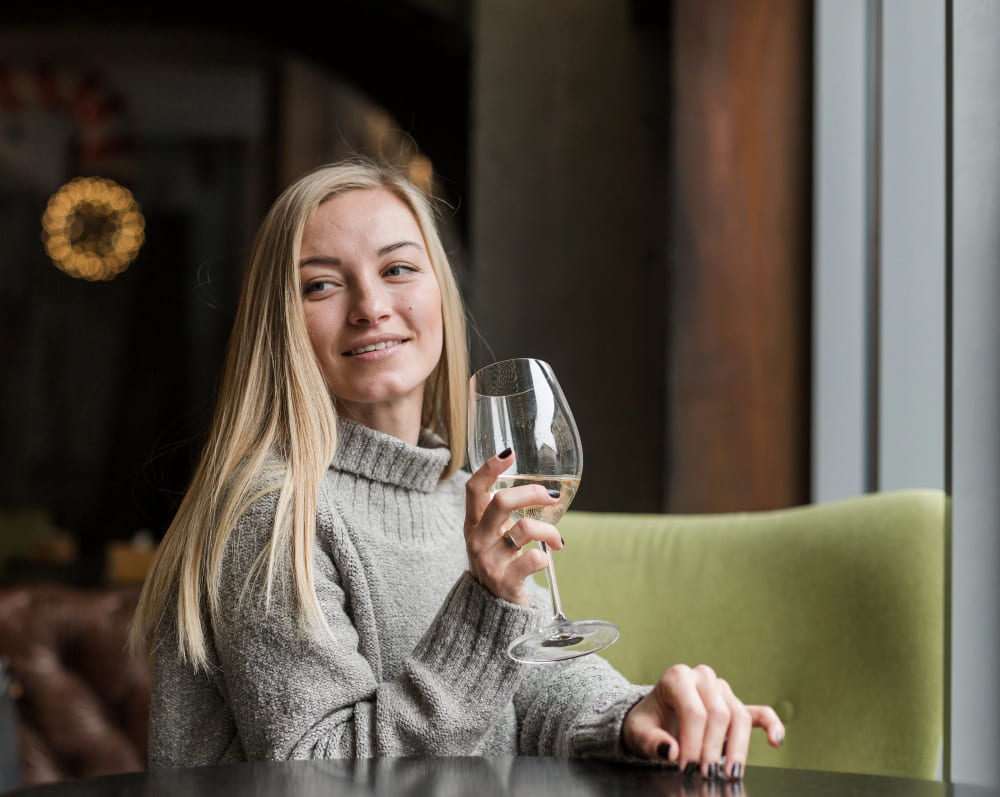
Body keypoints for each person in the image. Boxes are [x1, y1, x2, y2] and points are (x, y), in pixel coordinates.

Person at [130, 158, 784, 779]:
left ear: (440, 290)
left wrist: (630, 715)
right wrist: (486, 607)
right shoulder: (273, 515)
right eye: (322, 284)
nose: (370, 305)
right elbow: (319, 771)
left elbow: (524, 686)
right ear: (281, 325)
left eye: (398, 269)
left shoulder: (453, 490)